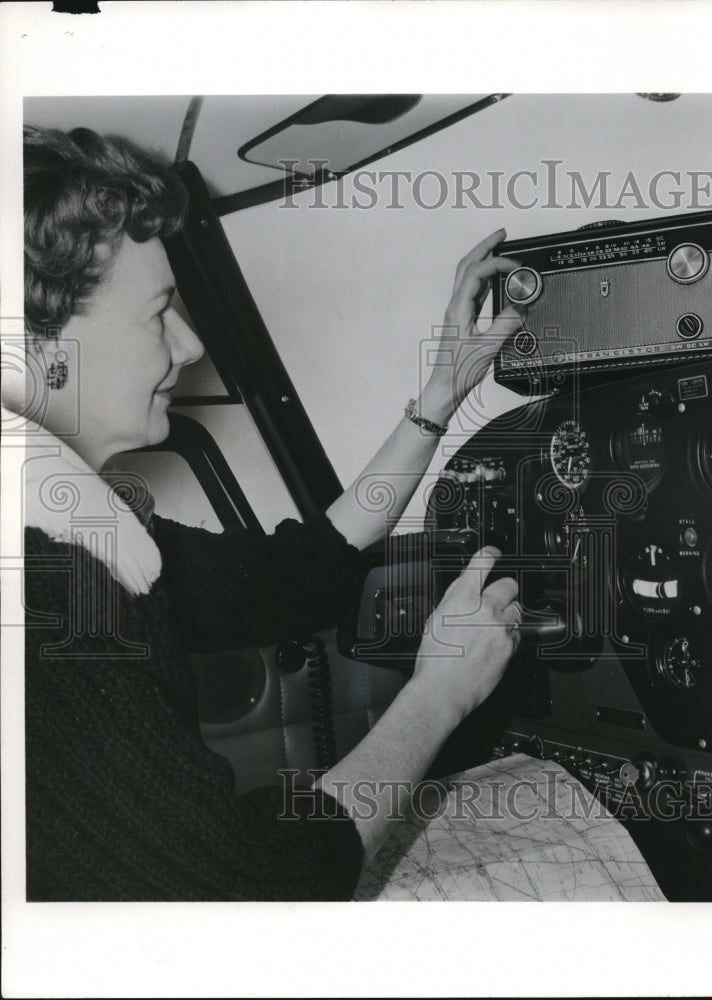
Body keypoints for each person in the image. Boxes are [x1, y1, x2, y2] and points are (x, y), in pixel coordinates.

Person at [13, 125, 527, 901]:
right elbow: (241, 881)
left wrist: (440, 395)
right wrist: (441, 693)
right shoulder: (42, 580)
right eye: (158, 314)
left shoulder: (74, 527)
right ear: (42, 343)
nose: (188, 347)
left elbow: (291, 577)